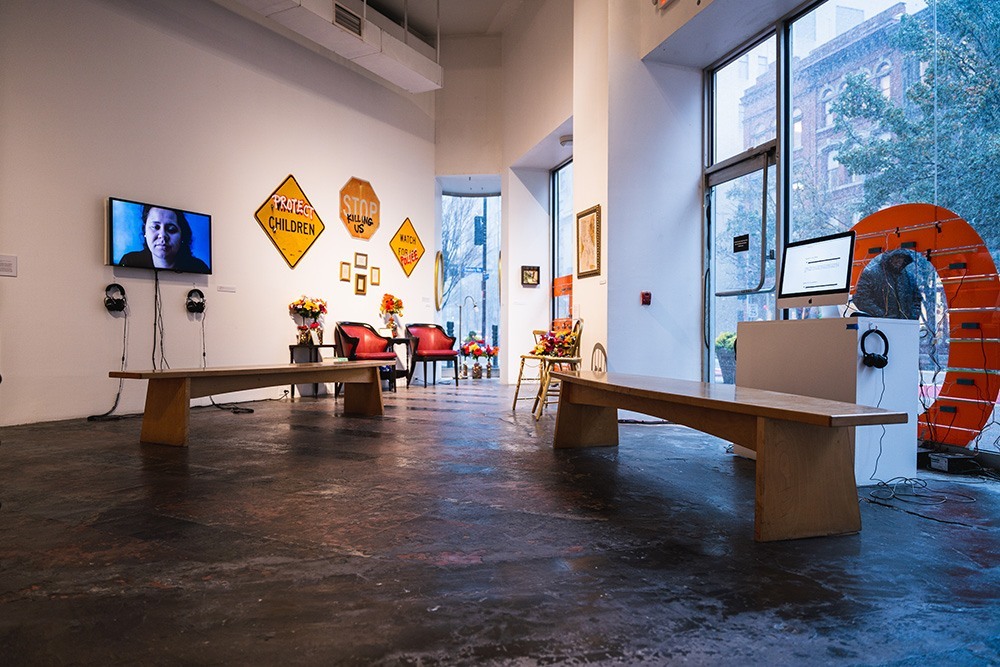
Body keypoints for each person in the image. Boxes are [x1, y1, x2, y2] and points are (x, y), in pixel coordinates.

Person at [119, 205, 209, 272]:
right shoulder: (129, 261)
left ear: (182, 235)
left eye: (171, 229)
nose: (162, 235)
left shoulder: (199, 268)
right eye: (156, 227)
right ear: (145, 231)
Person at [852, 248, 921, 319]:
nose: (899, 260)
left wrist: (912, 318)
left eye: (902, 257)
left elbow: (917, 300)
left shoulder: (908, 277)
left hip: (906, 325)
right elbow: (860, 298)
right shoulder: (871, 274)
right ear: (889, 257)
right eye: (896, 257)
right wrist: (882, 316)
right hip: (879, 325)